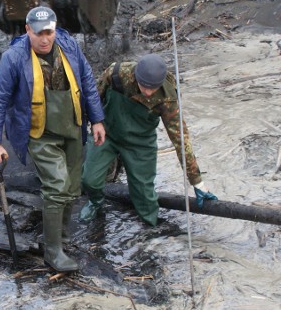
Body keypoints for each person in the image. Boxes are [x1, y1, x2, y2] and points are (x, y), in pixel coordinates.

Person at [0, 6, 106, 272]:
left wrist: (97, 120)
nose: (44, 39)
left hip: (72, 127)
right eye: (38, 33)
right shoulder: (14, 58)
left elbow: (87, 80)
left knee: (73, 188)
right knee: (57, 185)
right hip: (39, 133)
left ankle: (61, 238)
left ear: (55, 29)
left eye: (48, 32)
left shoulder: (69, 46)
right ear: (27, 30)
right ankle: (52, 253)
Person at [79, 53, 217, 225]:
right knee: (88, 179)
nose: (148, 92)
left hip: (140, 143)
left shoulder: (167, 98)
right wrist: (94, 122)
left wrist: (196, 181)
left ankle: (151, 225)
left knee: (143, 191)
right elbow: (93, 97)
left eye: (153, 88)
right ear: (136, 77)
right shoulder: (117, 73)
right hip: (107, 133)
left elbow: (181, 139)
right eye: (144, 86)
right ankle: (95, 202)